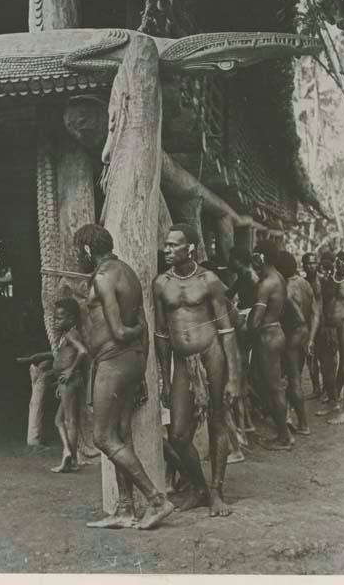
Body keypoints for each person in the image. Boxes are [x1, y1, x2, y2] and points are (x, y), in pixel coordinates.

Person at [74, 224, 173, 530]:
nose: (78, 257)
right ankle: (125, 508)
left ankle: (157, 500)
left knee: (102, 437)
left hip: (113, 361)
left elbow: (120, 330)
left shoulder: (103, 277)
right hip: (130, 362)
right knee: (121, 434)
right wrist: (141, 367)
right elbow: (141, 318)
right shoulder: (127, 272)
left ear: (89, 250)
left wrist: (131, 335)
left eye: (79, 251)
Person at [153, 223, 241, 517]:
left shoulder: (209, 280)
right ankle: (200, 488)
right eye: (166, 245)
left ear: (190, 248)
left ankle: (217, 491)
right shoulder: (161, 284)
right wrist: (165, 378)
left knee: (217, 421)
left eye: (174, 245)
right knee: (178, 435)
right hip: (182, 363)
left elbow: (227, 330)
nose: (168, 250)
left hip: (211, 355)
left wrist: (234, 378)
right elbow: (162, 334)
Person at [17, 298, 88, 472]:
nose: (55, 321)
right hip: (65, 382)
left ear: (71, 319)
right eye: (55, 318)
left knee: (70, 421)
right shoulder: (68, 335)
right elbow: (62, 356)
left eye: (59, 318)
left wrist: (70, 370)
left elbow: (83, 352)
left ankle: (71, 460)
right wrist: (36, 358)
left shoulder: (72, 334)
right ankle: (68, 454)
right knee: (59, 420)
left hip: (70, 380)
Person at [248, 240, 292, 451]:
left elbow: (256, 321)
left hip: (268, 336)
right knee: (274, 387)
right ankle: (284, 433)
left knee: (274, 388)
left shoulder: (266, 284)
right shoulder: (279, 278)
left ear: (262, 257)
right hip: (277, 331)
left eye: (256, 255)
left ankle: (284, 437)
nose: (253, 259)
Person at [277, 251, 320, 435]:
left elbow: (296, 318)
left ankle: (303, 424)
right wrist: (310, 338)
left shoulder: (286, 288)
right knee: (292, 378)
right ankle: (288, 415)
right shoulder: (305, 284)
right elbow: (316, 313)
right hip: (303, 336)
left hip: (293, 335)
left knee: (293, 381)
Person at [322, 249, 344, 425]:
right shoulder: (331, 278)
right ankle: (335, 402)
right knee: (335, 366)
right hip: (332, 326)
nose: (341, 262)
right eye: (340, 258)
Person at [227, 246, 259, 435]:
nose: (230, 263)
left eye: (232, 259)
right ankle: (246, 420)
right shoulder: (243, 276)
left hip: (248, 325)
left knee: (243, 372)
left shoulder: (251, 277)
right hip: (245, 321)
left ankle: (246, 421)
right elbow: (229, 294)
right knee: (243, 375)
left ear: (239, 260)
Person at [302, 252, 325, 399]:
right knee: (311, 357)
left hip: (324, 324)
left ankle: (329, 391)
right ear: (304, 265)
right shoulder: (302, 283)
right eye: (309, 263)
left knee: (326, 359)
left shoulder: (323, 280)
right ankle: (316, 388)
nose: (312, 266)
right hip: (309, 324)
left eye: (314, 262)